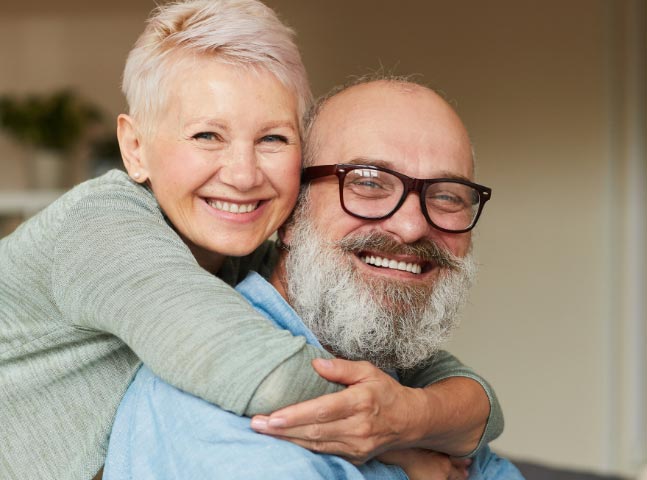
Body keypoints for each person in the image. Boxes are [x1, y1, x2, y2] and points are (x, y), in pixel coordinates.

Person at [0, 1, 501, 479]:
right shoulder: (100, 230)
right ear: (135, 148)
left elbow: (476, 400)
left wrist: (415, 410)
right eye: (206, 136)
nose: (243, 176)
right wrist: (401, 443)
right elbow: (264, 373)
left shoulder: (246, 254)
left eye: (272, 139)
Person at [103, 77, 523, 480]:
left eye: (447, 195)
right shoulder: (214, 411)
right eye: (369, 183)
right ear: (291, 212)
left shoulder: (399, 378)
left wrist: (417, 417)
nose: (412, 226)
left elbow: (479, 412)